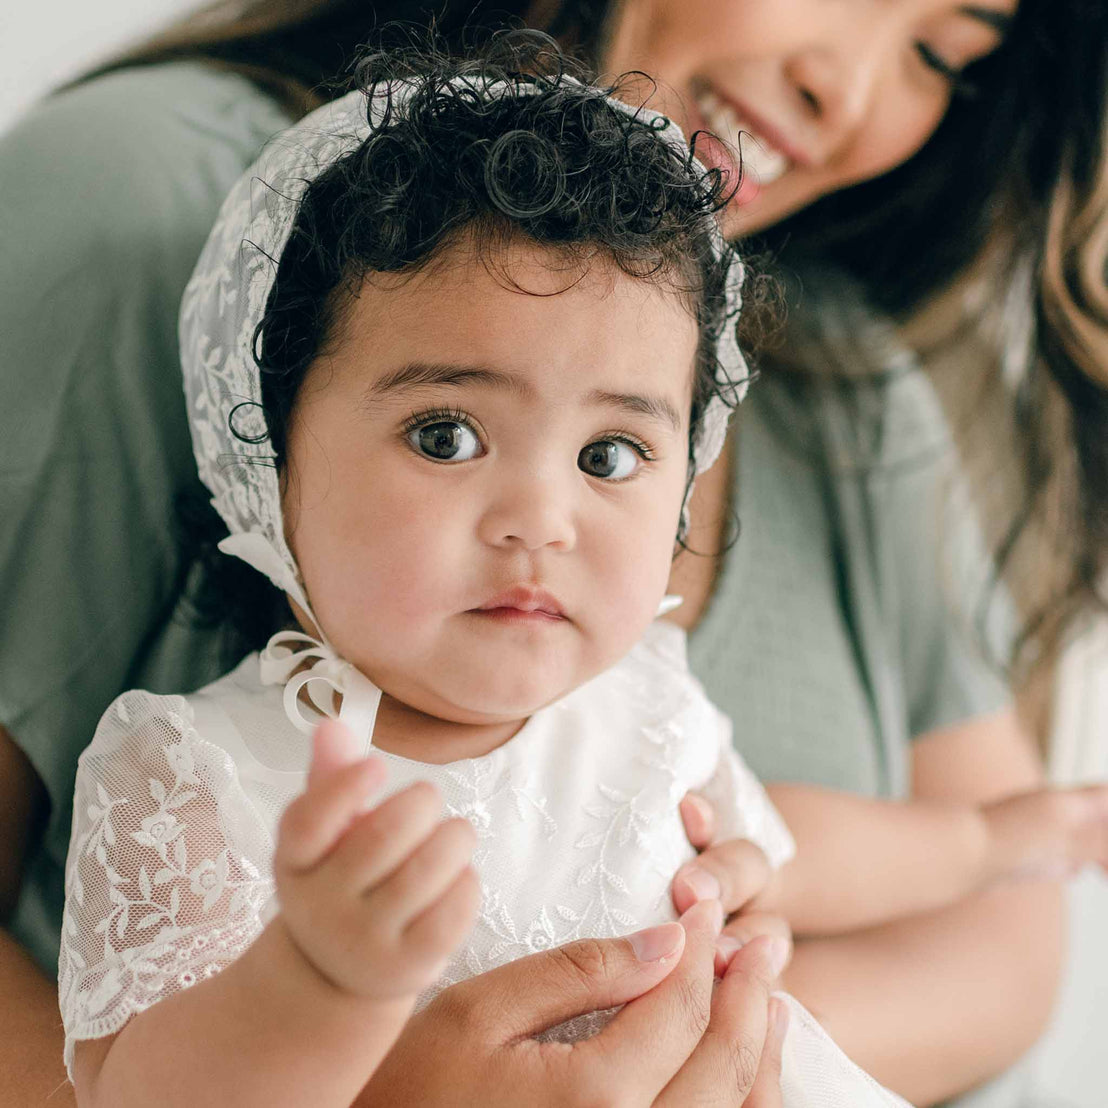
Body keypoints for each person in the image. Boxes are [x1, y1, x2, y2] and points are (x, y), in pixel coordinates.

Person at [1, 0, 1105, 1105]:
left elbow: (785, 838)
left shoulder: (649, 702)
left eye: (611, 456)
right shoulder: (209, 782)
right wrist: (319, 980)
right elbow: (137, 1092)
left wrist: (983, 840)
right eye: (447, 436)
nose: (542, 518)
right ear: (268, 455)